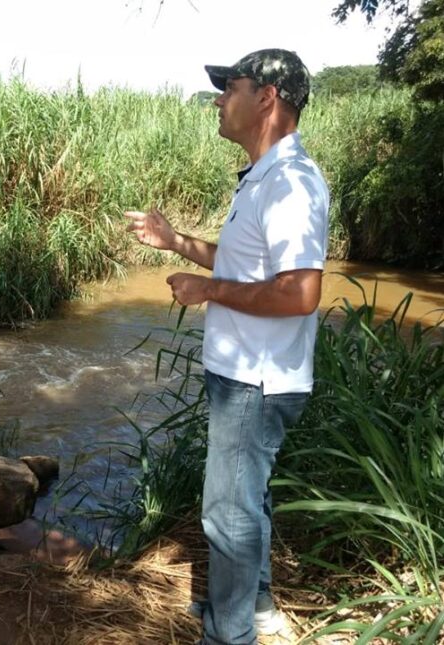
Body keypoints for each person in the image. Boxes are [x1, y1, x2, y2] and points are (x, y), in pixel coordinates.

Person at [126, 49, 329, 645]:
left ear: (267, 98)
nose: (219, 98)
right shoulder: (264, 176)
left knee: (228, 513)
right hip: (247, 375)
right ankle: (253, 609)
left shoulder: (290, 182)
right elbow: (247, 267)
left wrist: (207, 290)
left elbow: (299, 293)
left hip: (255, 381)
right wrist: (176, 243)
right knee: (250, 499)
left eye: (229, 87)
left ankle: (230, 634)